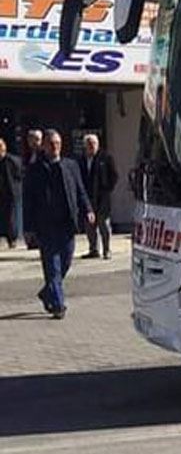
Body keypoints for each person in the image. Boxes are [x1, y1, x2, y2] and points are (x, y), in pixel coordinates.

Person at [22, 129, 93, 319]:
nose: (55, 147)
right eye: (52, 144)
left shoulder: (70, 166)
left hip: (66, 224)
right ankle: (58, 305)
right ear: (44, 146)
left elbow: (80, 190)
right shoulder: (35, 170)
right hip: (45, 226)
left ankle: (48, 293)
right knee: (52, 267)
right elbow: (28, 200)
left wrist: (88, 209)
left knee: (66, 261)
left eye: (58, 144)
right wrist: (28, 228)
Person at [76, 133, 118, 259]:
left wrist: (107, 189)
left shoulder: (105, 158)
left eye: (94, 143)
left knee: (103, 224)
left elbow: (114, 175)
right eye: (89, 144)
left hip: (102, 197)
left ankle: (107, 249)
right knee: (89, 225)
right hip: (88, 197)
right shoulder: (81, 160)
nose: (92, 146)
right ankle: (93, 249)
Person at [0, 137, 21, 248]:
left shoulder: (12, 160)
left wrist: (16, 188)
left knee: (11, 217)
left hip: (11, 193)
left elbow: (19, 175)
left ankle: (12, 238)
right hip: (2, 193)